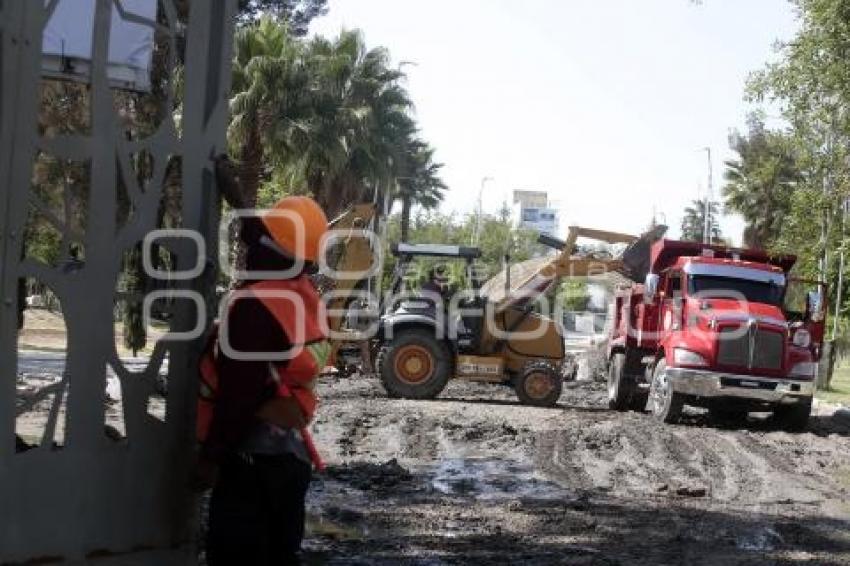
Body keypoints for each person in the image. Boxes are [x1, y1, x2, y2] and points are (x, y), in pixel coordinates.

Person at [197, 156, 330, 565]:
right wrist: (234, 191)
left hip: (251, 463)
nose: (248, 245)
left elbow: (239, 395)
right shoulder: (299, 289)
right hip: (288, 460)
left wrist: (210, 459)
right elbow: (262, 234)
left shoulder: (256, 309)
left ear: (271, 249)